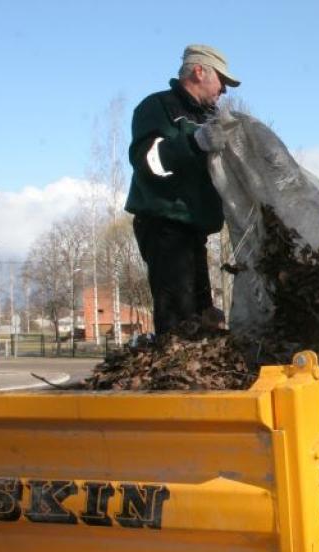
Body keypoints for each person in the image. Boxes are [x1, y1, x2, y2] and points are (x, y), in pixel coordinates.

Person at [125, 44, 240, 336]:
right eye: (222, 81)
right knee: (178, 315)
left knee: (204, 313)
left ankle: (201, 369)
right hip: (164, 224)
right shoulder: (158, 107)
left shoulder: (210, 116)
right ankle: (177, 372)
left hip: (193, 228)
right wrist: (194, 143)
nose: (224, 91)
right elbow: (147, 161)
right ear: (200, 72)